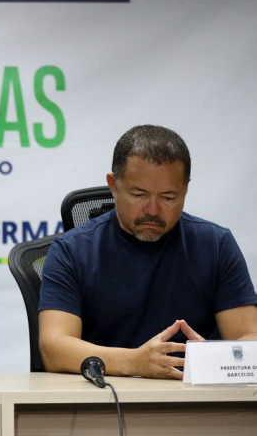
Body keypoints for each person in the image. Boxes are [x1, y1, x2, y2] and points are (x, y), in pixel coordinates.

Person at [38, 124, 257, 379]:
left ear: (185, 189)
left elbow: (249, 338)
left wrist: (213, 358)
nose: (152, 210)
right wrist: (135, 362)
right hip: (105, 393)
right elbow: (53, 348)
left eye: (168, 197)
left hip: (190, 394)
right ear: (113, 185)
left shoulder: (216, 245)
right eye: (139, 194)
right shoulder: (71, 251)